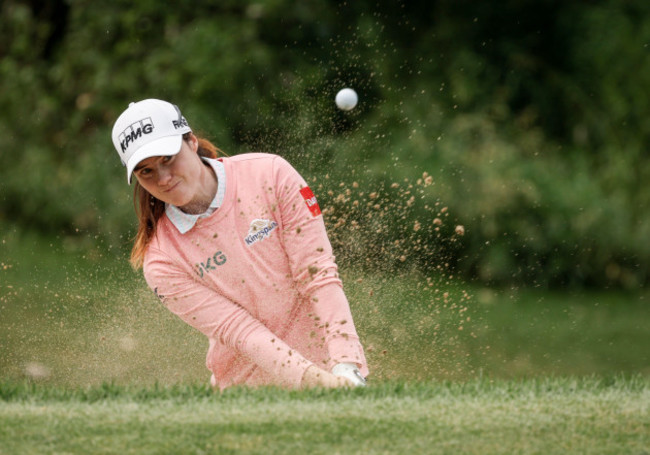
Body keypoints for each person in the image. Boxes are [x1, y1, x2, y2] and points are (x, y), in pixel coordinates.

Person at [110, 99, 368, 390]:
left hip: (336, 370)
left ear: (191, 141)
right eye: (147, 172)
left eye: (168, 158)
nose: (164, 178)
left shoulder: (269, 174)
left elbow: (318, 275)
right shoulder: (162, 260)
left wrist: (346, 366)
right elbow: (241, 332)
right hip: (250, 394)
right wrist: (321, 385)